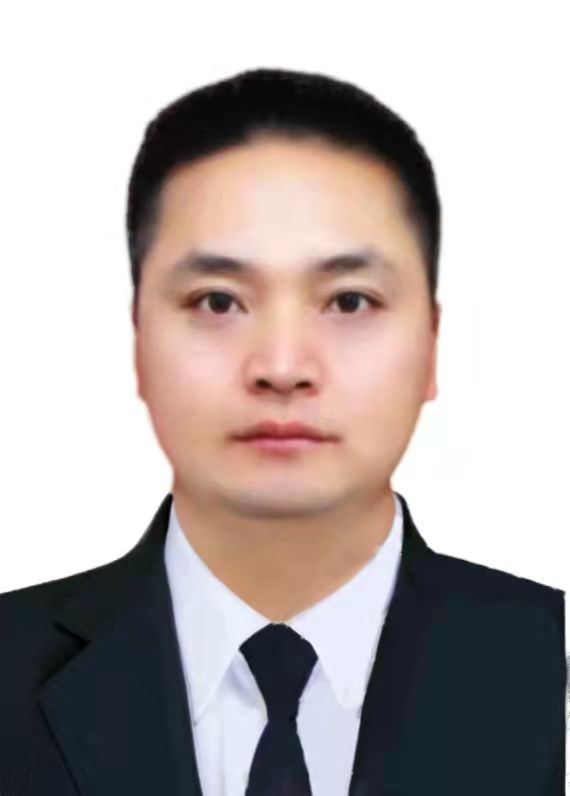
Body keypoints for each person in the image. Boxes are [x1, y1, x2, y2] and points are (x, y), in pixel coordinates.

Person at [0, 67, 565, 796]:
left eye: (350, 300)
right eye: (218, 301)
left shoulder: (552, 662)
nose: (282, 366)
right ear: (138, 339)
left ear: (431, 343)